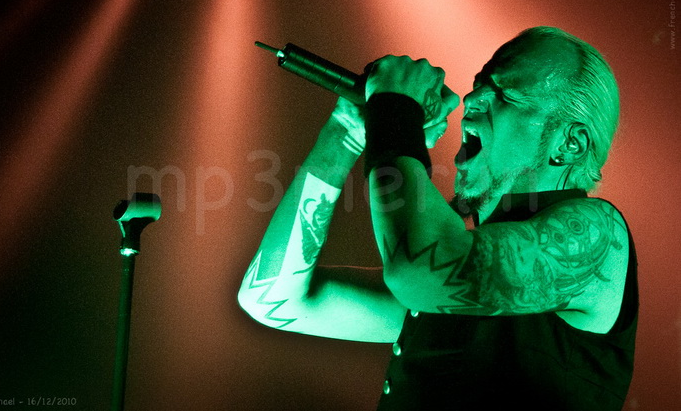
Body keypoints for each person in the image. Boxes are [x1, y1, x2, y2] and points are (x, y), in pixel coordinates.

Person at [238, 26, 637, 410]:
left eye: (505, 94)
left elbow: (421, 270)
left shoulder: (598, 235)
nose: (472, 100)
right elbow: (272, 297)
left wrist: (395, 112)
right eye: (478, 84)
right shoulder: (452, 291)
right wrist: (348, 131)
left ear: (570, 145)